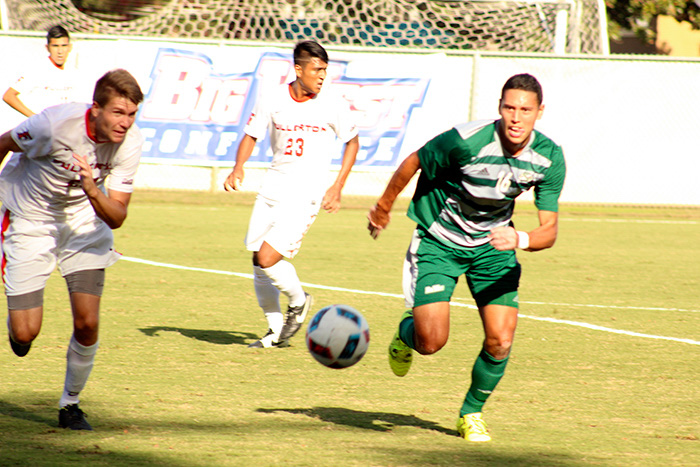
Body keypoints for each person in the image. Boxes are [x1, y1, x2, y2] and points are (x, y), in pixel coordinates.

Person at [367, 74, 566, 442]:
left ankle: (471, 412)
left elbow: (549, 231)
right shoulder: (466, 140)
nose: (516, 118)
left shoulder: (548, 158)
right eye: (509, 107)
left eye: (525, 109)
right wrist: (383, 206)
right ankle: (405, 333)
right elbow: (414, 161)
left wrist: (519, 238)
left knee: (501, 341)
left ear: (540, 112)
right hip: (440, 241)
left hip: (494, 246)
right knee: (430, 342)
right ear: (499, 108)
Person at [0, 69, 145, 430]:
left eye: (131, 114)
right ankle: (18, 326)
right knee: (25, 334)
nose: (125, 123)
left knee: (88, 321)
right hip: (31, 221)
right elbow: (3, 144)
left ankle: (71, 405)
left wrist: (93, 189)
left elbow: (117, 217)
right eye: (118, 113)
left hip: (84, 225)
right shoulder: (53, 125)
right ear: (95, 109)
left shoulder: (131, 142)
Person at [224, 40, 359, 349]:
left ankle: (298, 302)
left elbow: (352, 142)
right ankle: (274, 332)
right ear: (298, 69)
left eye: (325, 70)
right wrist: (238, 167)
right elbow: (252, 134)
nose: (322, 76)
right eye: (317, 70)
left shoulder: (332, 103)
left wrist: (337, 186)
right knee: (258, 260)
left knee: (269, 258)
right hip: (273, 188)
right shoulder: (273, 98)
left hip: (305, 195)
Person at [3, 25, 77, 118]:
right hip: (44, 129)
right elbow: (8, 96)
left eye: (64, 46)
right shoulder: (39, 70)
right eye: (55, 46)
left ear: (69, 47)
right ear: (47, 47)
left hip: (63, 127)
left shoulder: (72, 70)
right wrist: (36, 119)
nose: (60, 51)